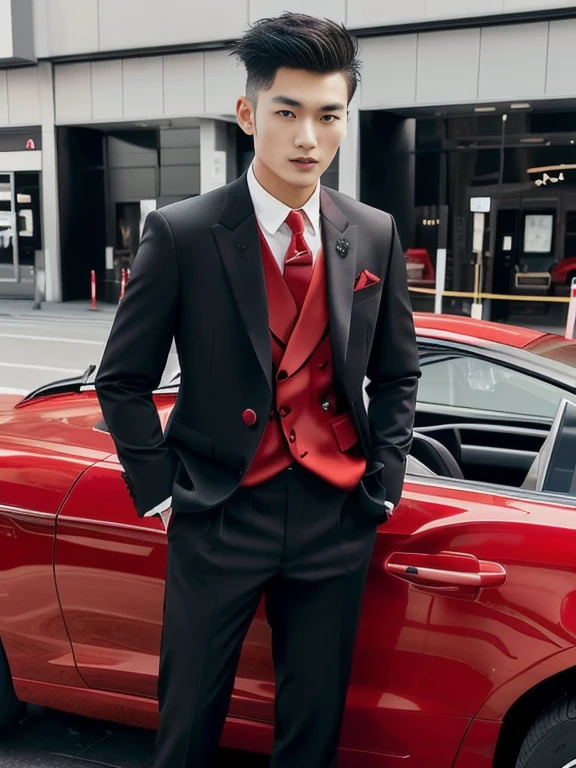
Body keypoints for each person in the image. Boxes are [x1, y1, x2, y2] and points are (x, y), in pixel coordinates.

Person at [95, 12, 420, 768]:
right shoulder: (181, 232)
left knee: (313, 728)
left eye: (328, 115)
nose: (309, 136)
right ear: (248, 115)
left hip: (334, 514)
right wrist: (164, 492)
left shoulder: (372, 232)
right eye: (288, 112)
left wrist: (384, 480)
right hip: (218, 511)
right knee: (188, 723)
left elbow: (397, 370)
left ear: (345, 119)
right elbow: (123, 379)